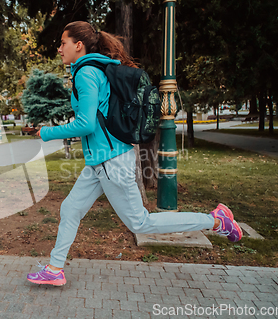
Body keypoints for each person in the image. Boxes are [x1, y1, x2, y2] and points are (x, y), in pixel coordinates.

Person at [26, 21, 242, 286]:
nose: (60, 49)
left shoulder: (86, 73)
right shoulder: (94, 69)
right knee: (70, 208)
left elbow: (86, 124)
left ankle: (214, 221)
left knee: (141, 223)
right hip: (100, 161)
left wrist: (45, 133)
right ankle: (55, 268)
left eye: (63, 43)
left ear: (78, 45)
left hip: (111, 161)